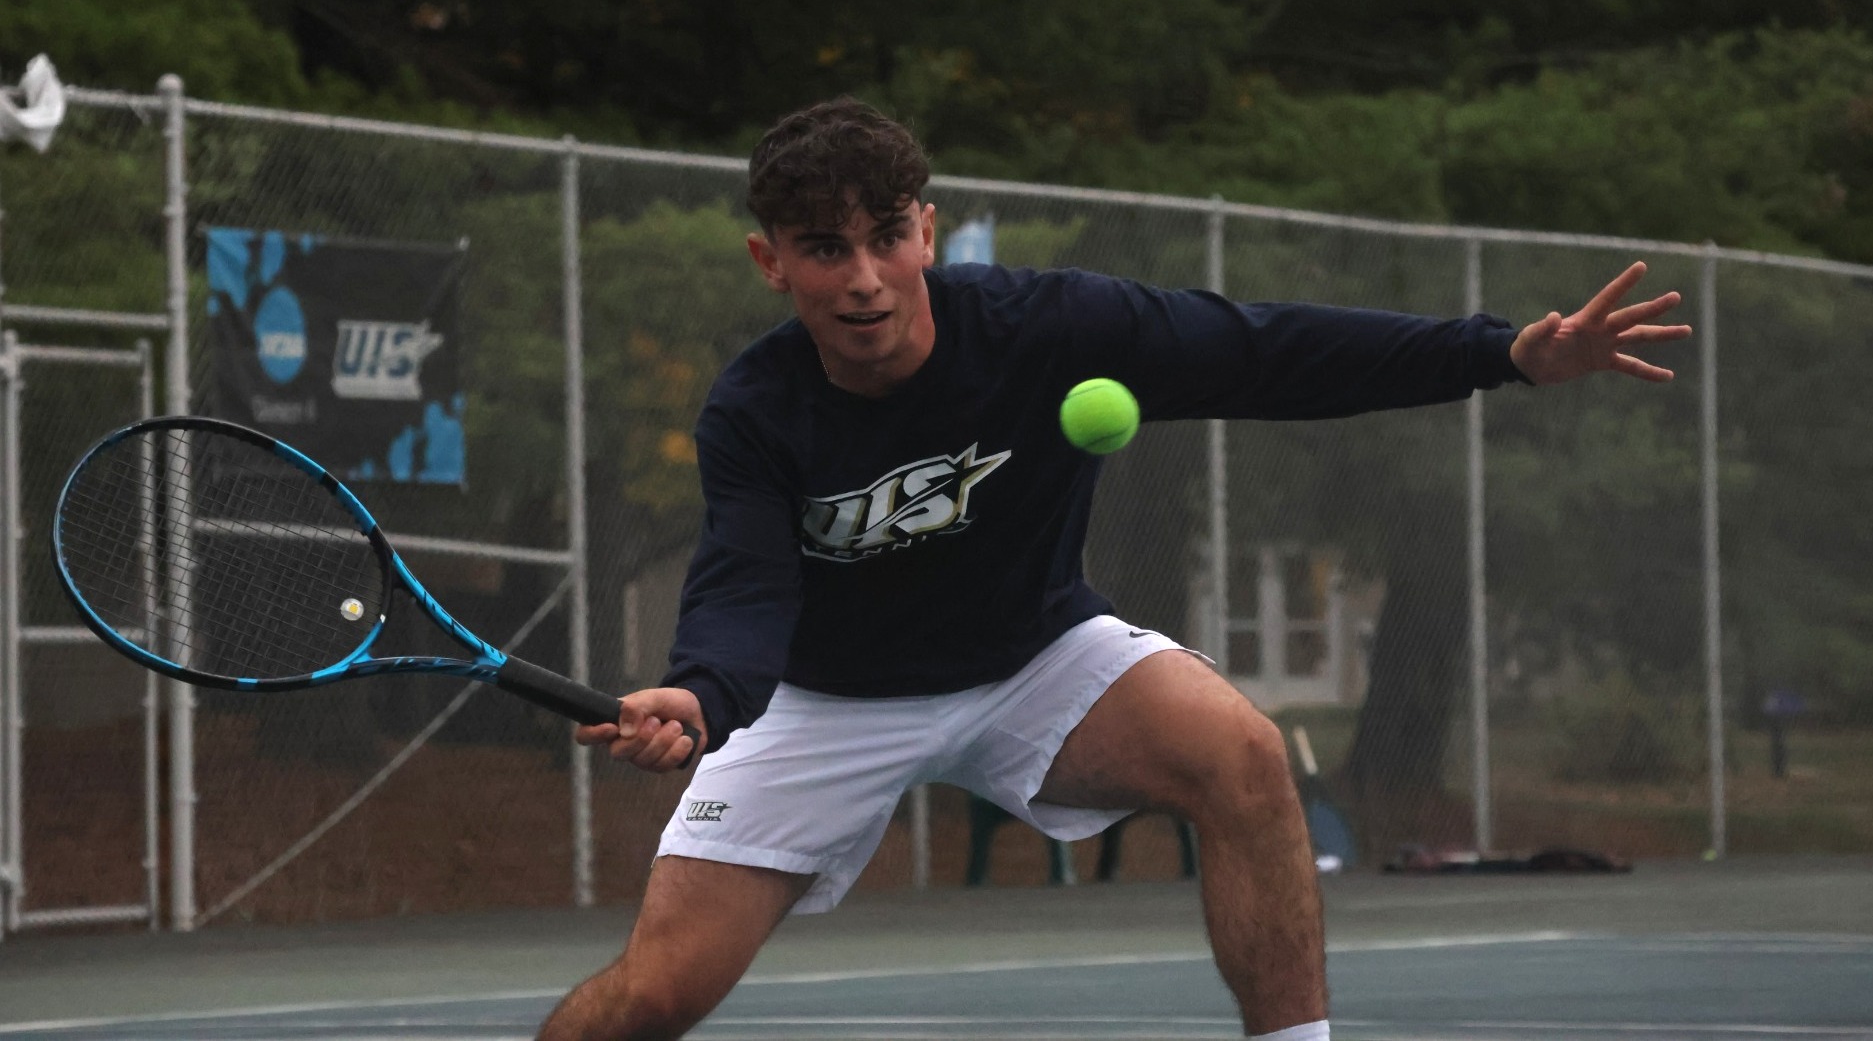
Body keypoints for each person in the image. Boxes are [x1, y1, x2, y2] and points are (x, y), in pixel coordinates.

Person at [537, 97, 1691, 1041]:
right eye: (825, 250)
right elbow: (747, 588)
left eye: (887, 235)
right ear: (770, 263)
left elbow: (1268, 352)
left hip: (1031, 660)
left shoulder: (1051, 328)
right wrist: (699, 696)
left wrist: (1500, 355)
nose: (865, 278)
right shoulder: (754, 411)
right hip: (825, 702)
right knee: (652, 999)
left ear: (926, 232)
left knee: (1237, 752)